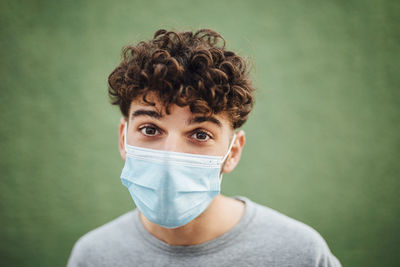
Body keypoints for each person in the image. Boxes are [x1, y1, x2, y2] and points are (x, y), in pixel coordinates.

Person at [67, 29, 341, 267]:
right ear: (123, 138)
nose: (170, 156)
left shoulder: (299, 254)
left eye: (199, 134)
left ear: (233, 152)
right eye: (150, 129)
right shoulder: (94, 256)